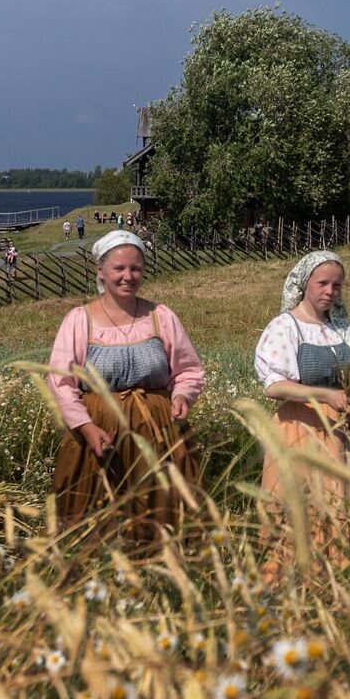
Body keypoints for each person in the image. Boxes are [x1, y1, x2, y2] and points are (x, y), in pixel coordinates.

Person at [46, 230, 204, 543]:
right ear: (100, 271)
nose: (128, 276)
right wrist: (87, 428)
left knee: (162, 517)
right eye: (119, 268)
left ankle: (161, 581)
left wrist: (183, 395)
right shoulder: (79, 320)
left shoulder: (161, 316)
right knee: (95, 521)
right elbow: (61, 383)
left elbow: (188, 369)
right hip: (97, 435)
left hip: (159, 433)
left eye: (135, 268)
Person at [255, 250, 350, 576]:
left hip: (339, 433)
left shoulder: (343, 329)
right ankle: (291, 578)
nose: (330, 292)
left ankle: (338, 577)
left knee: (339, 504)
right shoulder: (286, 326)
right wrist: (324, 395)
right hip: (299, 429)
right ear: (304, 283)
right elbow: (274, 386)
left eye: (337, 286)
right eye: (323, 283)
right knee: (299, 503)